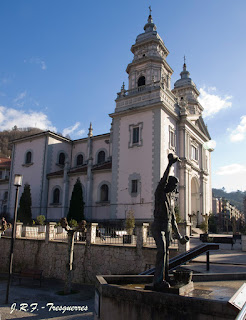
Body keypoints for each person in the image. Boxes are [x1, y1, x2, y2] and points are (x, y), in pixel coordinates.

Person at [152, 153, 189, 290]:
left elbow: (173, 220)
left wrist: (179, 237)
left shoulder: (171, 200)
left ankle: (165, 278)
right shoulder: (160, 192)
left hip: (167, 227)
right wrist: (170, 164)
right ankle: (157, 282)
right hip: (158, 226)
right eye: (174, 185)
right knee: (161, 251)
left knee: (166, 253)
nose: (175, 188)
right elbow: (164, 180)